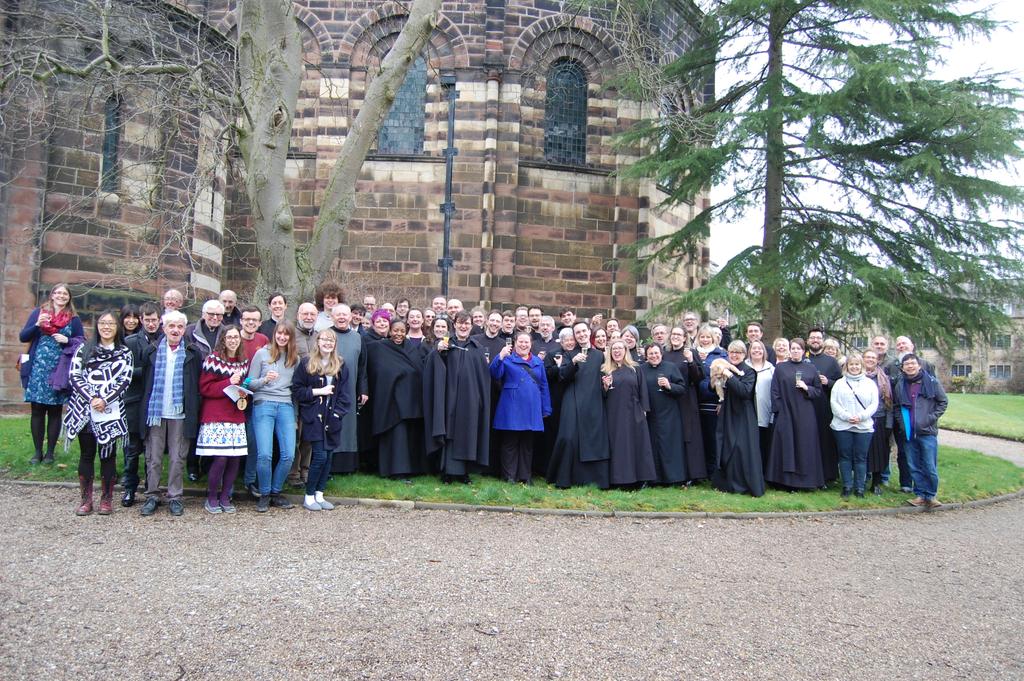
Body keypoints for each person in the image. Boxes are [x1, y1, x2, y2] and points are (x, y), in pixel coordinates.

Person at [63, 310, 134, 515]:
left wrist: (105, 399)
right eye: (103, 323)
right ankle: (86, 500)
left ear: (117, 327)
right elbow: (75, 375)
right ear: (97, 326)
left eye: (111, 324)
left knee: (108, 456)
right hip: (85, 409)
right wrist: (92, 398)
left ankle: (106, 499)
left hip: (110, 410)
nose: (106, 327)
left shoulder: (124, 352)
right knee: (86, 454)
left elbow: (125, 380)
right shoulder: (84, 348)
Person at [139, 311, 202, 517]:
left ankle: (175, 496)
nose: (175, 330)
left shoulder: (193, 353)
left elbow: (196, 386)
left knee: (177, 458)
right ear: (163, 328)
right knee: (154, 457)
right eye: (171, 326)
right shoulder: (152, 351)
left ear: (184, 329)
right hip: (155, 412)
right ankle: (152, 494)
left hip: (180, 413)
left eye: (179, 327)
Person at [20, 283, 86, 464]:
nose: (61, 296)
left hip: (59, 369)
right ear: (52, 295)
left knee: (55, 410)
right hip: (38, 368)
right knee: (38, 410)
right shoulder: (39, 313)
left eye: (65, 294)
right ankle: (37, 451)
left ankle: (50, 453)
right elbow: (23, 337)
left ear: (69, 297)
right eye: (58, 292)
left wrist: (67, 340)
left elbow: (82, 343)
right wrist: (36, 325)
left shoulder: (74, 319)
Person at [423, 312, 491, 483]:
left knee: (467, 433)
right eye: (460, 323)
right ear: (454, 325)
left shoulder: (477, 348)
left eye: (467, 323)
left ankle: (463, 473)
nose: (463, 326)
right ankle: (447, 472)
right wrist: (437, 352)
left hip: (470, 400)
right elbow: (432, 365)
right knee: (450, 432)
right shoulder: (446, 344)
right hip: (449, 398)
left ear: (471, 325)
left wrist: (479, 399)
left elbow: (483, 376)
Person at [292, 330, 351, 510]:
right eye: (324, 339)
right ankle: (309, 496)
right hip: (313, 417)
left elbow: (345, 394)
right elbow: (297, 390)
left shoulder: (340, 364)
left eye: (331, 340)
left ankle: (320, 493)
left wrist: (337, 414)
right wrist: (318, 392)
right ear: (317, 342)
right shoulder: (306, 363)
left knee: (329, 457)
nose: (327, 343)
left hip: (331, 419)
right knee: (319, 456)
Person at [547, 322, 610, 489]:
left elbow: (604, 377)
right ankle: (564, 478)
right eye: (578, 332)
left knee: (594, 438)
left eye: (583, 331)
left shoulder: (600, 355)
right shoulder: (569, 354)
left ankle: (594, 480)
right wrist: (573, 363)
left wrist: (605, 387)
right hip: (572, 399)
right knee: (568, 437)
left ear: (589, 332)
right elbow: (562, 377)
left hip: (593, 400)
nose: (581, 334)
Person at [365, 319, 429, 479]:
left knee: (409, 437)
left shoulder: (411, 348)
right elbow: (376, 372)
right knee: (395, 437)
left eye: (401, 331)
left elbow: (419, 370)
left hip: (410, 402)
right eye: (395, 330)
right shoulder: (379, 348)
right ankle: (395, 471)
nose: (398, 334)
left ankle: (412, 469)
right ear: (389, 331)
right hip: (390, 403)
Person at [247, 322, 300, 512]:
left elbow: (296, 391)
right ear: (274, 334)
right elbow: (248, 383)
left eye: (286, 334)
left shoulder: (295, 359)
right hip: (263, 404)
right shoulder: (262, 354)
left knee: (288, 455)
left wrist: (294, 416)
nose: (282, 337)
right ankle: (264, 493)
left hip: (285, 405)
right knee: (264, 455)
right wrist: (264, 379)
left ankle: (276, 492)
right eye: (279, 333)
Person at [196, 326, 249, 514]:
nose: (233, 340)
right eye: (229, 337)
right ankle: (211, 497)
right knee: (221, 458)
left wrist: (244, 390)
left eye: (236, 337)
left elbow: (243, 384)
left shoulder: (243, 361)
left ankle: (225, 496)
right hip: (217, 415)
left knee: (235, 459)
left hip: (236, 414)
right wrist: (228, 383)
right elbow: (205, 388)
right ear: (223, 339)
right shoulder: (213, 359)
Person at [490, 331, 552, 484]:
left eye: (527, 342)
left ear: (531, 344)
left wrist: (546, 408)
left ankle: (525, 476)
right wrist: (500, 356)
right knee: (510, 443)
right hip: (512, 407)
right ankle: (509, 476)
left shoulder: (538, 362)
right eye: (521, 342)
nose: (523, 345)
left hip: (531, 407)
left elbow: (544, 385)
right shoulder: (508, 359)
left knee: (527, 444)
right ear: (515, 343)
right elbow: (494, 373)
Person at [765, 338, 824, 490]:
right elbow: (774, 390)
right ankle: (785, 481)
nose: (795, 351)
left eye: (799, 348)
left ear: (804, 351)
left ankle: (806, 481)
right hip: (786, 412)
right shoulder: (781, 368)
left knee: (804, 446)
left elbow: (818, 391)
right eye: (793, 348)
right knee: (786, 445)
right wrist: (779, 409)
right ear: (789, 350)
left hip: (805, 414)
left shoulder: (811, 369)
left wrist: (807, 388)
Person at [894, 354, 948, 509]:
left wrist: (930, 418)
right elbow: (897, 407)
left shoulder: (931, 382)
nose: (910, 366)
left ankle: (930, 495)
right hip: (909, 432)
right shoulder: (900, 385)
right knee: (913, 465)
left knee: (929, 465)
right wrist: (902, 424)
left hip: (927, 432)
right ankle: (919, 494)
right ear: (903, 367)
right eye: (907, 364)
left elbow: (943, 402)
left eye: (913, 363)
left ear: (919, 365)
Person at [600, 339, 656, 488]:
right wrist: (605, 387)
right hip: (614, 413)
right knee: (618, 446)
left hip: (634, 412)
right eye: (614, 349)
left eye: (620, 348)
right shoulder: (605, 369)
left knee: (637, 445)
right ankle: (618, 480)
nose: (617, 351)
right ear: (610, 352)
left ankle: (640, 479)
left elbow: (643, 389)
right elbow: (601, 395)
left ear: (626, 351)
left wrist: (644, 410)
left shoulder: (635, 368)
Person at [711, 341, 764, 497]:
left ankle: (743, 484)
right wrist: (715, 380)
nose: (734, 355)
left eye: (738, 353)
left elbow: (744, 392)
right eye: (731, 352)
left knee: (741, 448)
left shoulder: (749, 372)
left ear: (744, 354)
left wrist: (729, 376)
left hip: (743, 414)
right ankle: (728, 484)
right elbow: (715, 389)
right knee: (726, 445)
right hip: (727, 411)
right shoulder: (724, 367)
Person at [120, 305, 157, 507]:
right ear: (142, 320)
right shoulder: (131, 342)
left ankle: (151, 488)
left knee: (152, 450)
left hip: (155, 403)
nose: (151, 324)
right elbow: (123, 372)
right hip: (135, 401)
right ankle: (129, 488)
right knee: (132, 450)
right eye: (147, 320)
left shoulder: (164, 340)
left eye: (154, 320)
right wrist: (146, 371)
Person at [829, 353, 878, 499]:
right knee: (845, 456)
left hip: (863, 426)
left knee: (860, 458)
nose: (854, 367)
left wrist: (861, 416)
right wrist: (846, 416)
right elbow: (834, 403)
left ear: (861, 366)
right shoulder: (839, 383)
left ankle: (860, 488)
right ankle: (847, 486)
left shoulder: (870, 384)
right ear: (847, 366)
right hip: (842, 425)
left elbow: (874, 404)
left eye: (857, 364)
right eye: (851, 364)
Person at [328, 304, 369, 475]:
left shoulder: (358, 338)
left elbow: (363, 366)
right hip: (329, 389)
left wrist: (363, 389)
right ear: (333, 317)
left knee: (349, 426)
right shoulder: (326, 335)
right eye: (339, 315)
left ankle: (347, 466)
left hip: (350, 389)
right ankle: (329, 464)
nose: (342, 318)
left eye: (345, 315)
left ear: (350, 317)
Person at [663, 327, 706, 482]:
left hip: (687, 399)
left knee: (689, 435)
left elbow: (700, 378)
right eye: (673, 334)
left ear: (684, 338)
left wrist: (690, 361)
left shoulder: (691, 353)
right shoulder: (664, 354)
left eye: (678, 335)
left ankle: (692, 473)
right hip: (669, 399)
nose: (675, 337)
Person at [642, 343, 688, 485]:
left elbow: (681, 389)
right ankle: (653, 479)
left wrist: (669, 386)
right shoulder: (641, 369)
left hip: (669, 414)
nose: (654, 356)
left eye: (656, 353)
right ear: (646, 356)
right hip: (650, 414)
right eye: (650, 354)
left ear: (661, 354)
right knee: (652, 446)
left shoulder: (670, 367)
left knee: (670, 446)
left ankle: (673, 478)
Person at [806, 328, 842, 483]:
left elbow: (841, 385)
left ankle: (828, 476)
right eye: (812, 338)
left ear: (822, 341)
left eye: (818, 338)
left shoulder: (831, 361)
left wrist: (829, 382)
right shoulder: (803, 359)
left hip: (825, 407)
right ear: (807, 341)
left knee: (825, 442)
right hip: (806, 407)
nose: (815, 340)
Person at [695, 325, 728, 476]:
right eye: (702, 337)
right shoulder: (693, 353)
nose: (705, 339)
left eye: (708, 337)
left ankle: (714, 471)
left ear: (713, 338)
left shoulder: (720, 354)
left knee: (713, 437)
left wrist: (722, 401)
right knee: (699, 438)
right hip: (694, 401)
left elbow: (725, 378)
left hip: (713, 401)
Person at [862, 349, 894, 495]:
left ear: (877, 360)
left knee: (879, 452)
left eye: (873, 357)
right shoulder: (855, 375)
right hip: (859, 419)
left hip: (879, 418)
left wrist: (888, 425)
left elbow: (889, 403)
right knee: (861, 452)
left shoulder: (884, 378)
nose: (870, 360)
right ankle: (859, 482)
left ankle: (876, 483)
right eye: (867, 357)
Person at [746, 339, 775, 468]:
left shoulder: (771, 369)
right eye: (754, 348)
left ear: (764, 352)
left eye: (759, 348)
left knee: (763, 442)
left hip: (765, 410)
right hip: (747, 411)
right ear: (749, 351)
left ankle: (763, 471)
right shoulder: (744, 366)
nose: (756, 351)